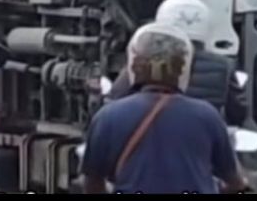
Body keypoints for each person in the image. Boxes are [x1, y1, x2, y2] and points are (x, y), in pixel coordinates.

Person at [81, 23, 247, 194]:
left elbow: (92, 183)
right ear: (183, 67)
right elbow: (235, 182)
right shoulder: (207, 116)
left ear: (134, 65)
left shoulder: (107, 116)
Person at [108, 0, 248, 126]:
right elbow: (239, 112)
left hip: (155, 133)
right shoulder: (224, 66)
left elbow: (116, 98)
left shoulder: (148, 60)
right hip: (203, 137)